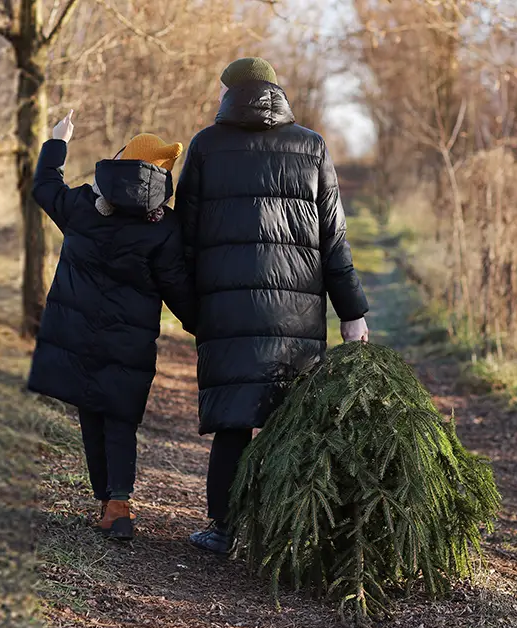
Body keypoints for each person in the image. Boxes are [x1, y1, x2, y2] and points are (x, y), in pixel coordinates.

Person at [175, 57, 370, 553]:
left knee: (234, 422)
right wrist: (352, 312)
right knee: (294, 422)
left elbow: (185, 241)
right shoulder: (311, 146)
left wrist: (193, 312)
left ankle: (223, 530)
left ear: (229, 94)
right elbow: (334, 242)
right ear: (275, 91)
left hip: (225, 312)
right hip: (296, 314)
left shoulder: (205, 146)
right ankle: (294, 535)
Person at [27, 111, 198, 541]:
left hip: (78, 337)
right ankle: (118, 503)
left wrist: (57, 141)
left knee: (91, 413)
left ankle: (106, 501)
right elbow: (177, 285)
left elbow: (44, 187)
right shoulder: (164, 225)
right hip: (130, 342)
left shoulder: (85, 205)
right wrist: (203, 325)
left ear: (121, 161)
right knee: (120, 418)